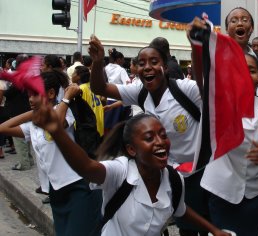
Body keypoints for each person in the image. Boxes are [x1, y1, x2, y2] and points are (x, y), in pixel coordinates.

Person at [30, 95, 231, 236]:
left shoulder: (174, 179)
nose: (160, 142)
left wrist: (214, 230)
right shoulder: (121, 171)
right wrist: (57, 132)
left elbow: (180, 209)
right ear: (132, 150)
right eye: (149, 138)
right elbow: (87, 168)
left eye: (163, 135)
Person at [89, 36, 209, 236]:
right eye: (141, 63)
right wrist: (97, 61)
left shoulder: (184, 89)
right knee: (185, 228)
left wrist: (196, 47)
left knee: (205, 225)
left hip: (201, 174)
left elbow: (206, 86)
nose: (147, 67)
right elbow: (100, 88)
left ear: (166, 67)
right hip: (170, 176)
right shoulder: (139, 92)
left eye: (154, 62)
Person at [0, 70, 102, 236]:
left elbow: (57, 124)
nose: (30, 99)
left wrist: (66, 99)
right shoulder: (34, 124)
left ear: (51, 93)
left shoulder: (65, 111)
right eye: (29, 95)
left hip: (80, 188)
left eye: (35, 95)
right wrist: (34, 112)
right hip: (56, 191)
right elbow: (3, 128)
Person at [200, 53, 258, 236]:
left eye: (251, 71)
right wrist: (196, 48)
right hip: (223, 194)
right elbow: (203, 83)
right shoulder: (218, 103)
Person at [71, 66, 104, 138]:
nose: (72, 75)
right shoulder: (92, 86)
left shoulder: (80, 89)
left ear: (79, 76)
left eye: (74, 73)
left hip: (90, 129)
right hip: (99, 125)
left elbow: (78, 112)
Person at [103, 48, 130, 135]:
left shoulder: (105, 68)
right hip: (119, 100)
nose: (123, 61)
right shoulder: (121, 70)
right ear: (118, 59)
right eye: (122, 59)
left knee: (107, 126)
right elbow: (127, 85)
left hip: (108, 99)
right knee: (119, 127)